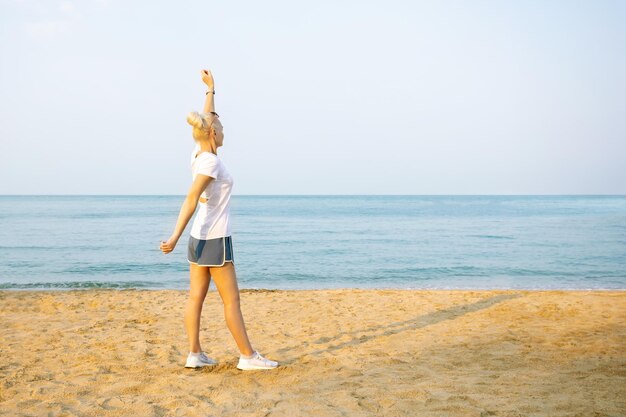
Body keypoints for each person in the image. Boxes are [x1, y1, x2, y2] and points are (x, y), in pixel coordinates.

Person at [160, 69, 278, 371]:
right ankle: (248, 357)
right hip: (214, 238)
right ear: (213, 134)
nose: (225, 131)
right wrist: (173, 236)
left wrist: (211, 89)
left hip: (199, 238)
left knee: (196, 298)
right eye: (222, 128)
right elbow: (190, 198)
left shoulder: (198, 154)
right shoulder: (210, 163)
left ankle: (194, 353)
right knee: (231, 302)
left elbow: (208, 116)